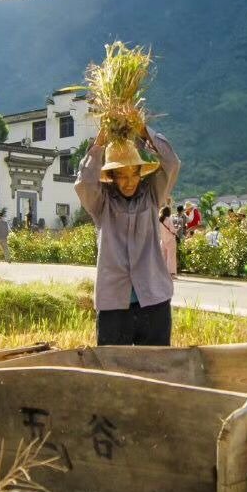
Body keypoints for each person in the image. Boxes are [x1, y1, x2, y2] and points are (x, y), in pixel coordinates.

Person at [76, 129, 180, 346]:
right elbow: (85, 183)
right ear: (111, 177)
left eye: (134, 173)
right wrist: (99, 145)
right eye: (122, 174)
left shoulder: (152, 194)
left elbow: (171, 163)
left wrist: (144, 131)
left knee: (156, 369)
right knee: (113, 373)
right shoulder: (101, 203)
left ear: (141, 173)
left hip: (154, 300)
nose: (129, 181)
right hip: (114, 305)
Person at [159, 205, 179, 278]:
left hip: (163, 240)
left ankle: (162, 273)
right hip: (170, 240)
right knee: (171, 257)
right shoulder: (169, 219)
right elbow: (172, 230)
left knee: (164, 257)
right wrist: (177, 229)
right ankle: (171, 273)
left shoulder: (159, 220)